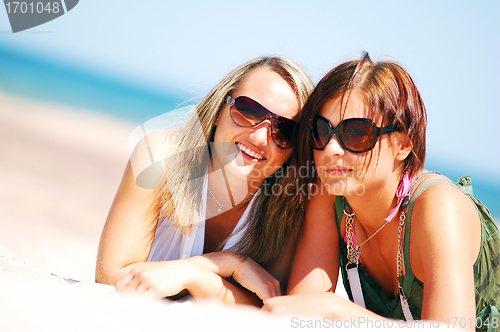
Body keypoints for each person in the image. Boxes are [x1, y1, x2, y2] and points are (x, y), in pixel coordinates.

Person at [262, 53, 499, 330]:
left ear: (403, 145)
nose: (331, 149)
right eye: (321, 131)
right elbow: (299, 313)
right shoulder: (331, 195)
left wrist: (338, 310)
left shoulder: (439, 208)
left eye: (356, 133)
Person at [95, 56, 314, 306]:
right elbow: (112, 278)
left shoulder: (289, 208)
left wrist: (197, 273)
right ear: (220, 109)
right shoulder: (161, 157)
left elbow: (271, 307)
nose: (260, 138)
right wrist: (231, 265)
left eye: (285, 130)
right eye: (249, 111)